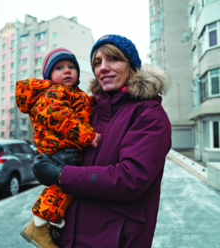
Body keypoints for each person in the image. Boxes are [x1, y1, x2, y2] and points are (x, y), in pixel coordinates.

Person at [32, 35, 172, 248]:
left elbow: (129, 180)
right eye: (97, 63)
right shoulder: (89, 112)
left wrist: (60, 175)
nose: (103, 68)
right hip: (70, 239)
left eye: (113, 59)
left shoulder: (149, 114)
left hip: (116, 240)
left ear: (132, 66)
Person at [16, 47, 101, 248]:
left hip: (66, 149)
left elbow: (84, 108)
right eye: (59, 68)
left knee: (64, 187)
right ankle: (39, 224)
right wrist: (88, 136)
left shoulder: (75, 94)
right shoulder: (52, 93)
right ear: (49, 76)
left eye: (72, 67)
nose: (67, 71)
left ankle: (46, 223)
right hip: (58, 148)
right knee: (64, 186)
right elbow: (60, 118)